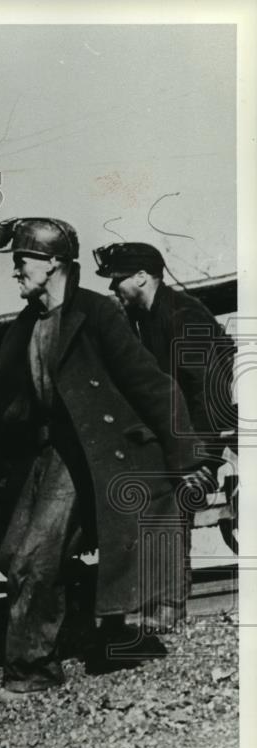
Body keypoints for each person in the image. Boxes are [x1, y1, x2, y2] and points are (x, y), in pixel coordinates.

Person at [0, 216, 209, 700]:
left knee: (36, 557)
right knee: (16, 553)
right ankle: (102, 634)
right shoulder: (28, 323)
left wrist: (187, 457)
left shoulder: (95, 313)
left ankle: (32, 671)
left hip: (92, 450)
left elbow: (150, 383)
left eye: (22, 261)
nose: (16, 271)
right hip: (50, 450)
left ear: (54, 262)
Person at [94, 241, 234, 625]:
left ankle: (169, 605)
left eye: (117, 280)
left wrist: (202, 457)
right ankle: (160, 601)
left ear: (142, 277)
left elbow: (208, 388)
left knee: (176, 499)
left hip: (201, 435)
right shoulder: (151, 316)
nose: (113, 289)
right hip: (183, 435)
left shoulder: (182, 316)